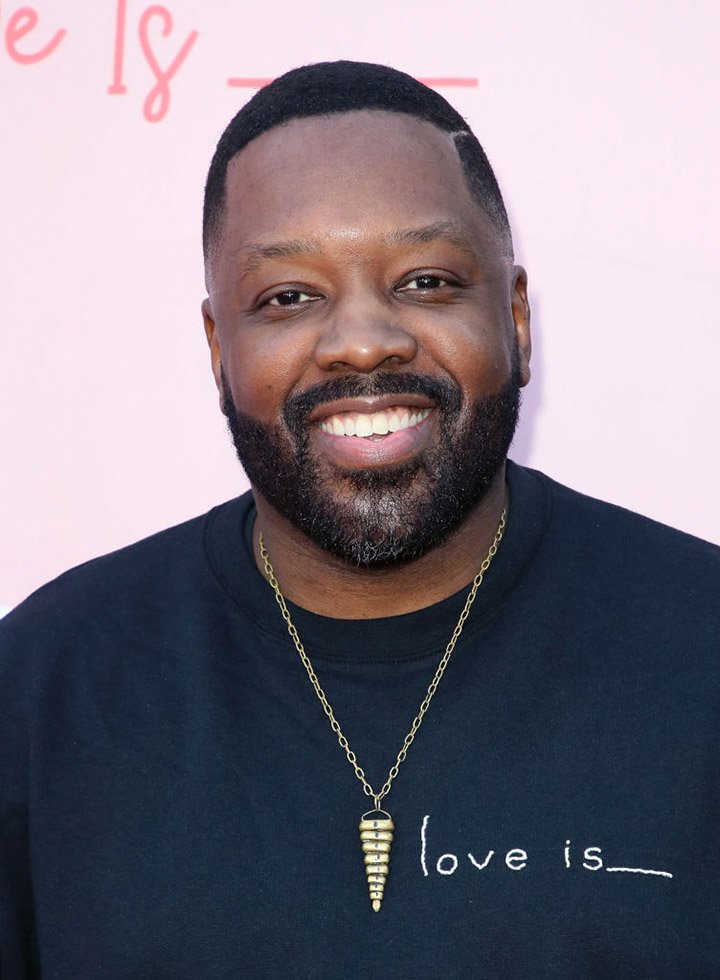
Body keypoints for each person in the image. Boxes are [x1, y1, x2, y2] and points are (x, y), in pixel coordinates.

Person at [0, 61, 718, 979]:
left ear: (518, 319)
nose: (363, 340)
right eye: (288, 297)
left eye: (425, 279)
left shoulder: (702, 647)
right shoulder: (44, 694)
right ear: (221, 349)